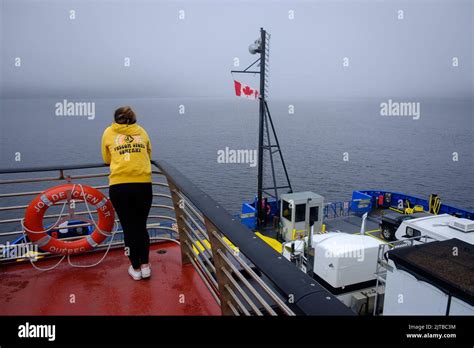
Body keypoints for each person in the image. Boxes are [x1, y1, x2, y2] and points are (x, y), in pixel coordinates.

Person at [101, 106, 153, 281]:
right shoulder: (142, 131)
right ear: (133, 118)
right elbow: (149, 152)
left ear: (116, 119)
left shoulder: (108, 132)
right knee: (141, 226)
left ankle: (136, 268)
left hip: (120, 186)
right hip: (143, 185)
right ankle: (146, 266)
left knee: (129, 228)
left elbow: (106, 159)